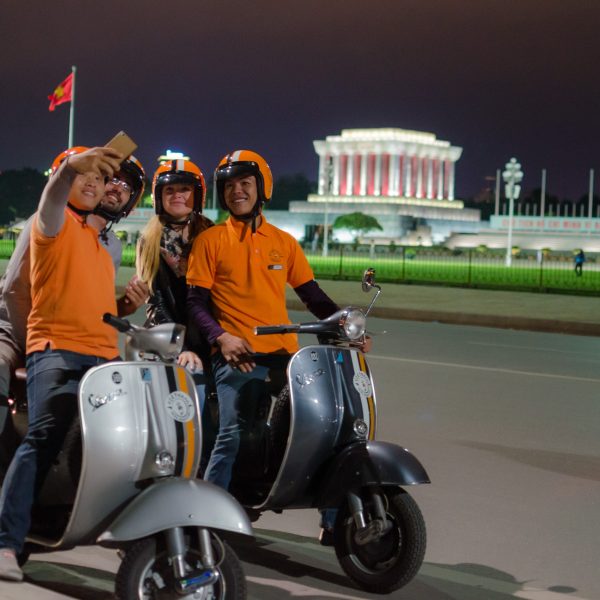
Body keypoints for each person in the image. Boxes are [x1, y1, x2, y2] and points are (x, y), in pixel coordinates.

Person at [186, 150, 368, 543]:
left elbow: (312, 295)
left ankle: (334, 516)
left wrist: (344, 325)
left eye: (245, 185)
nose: (237, 192)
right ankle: (206, 515)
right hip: (238, 354)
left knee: (329, 423)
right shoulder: (211, 240)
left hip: (286, 356)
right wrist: (221, 337)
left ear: (262, 189)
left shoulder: (283, 243)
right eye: (230, 186)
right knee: (232, 432)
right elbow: (195, 303)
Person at [0, 145, 123, 581]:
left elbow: (93, 304)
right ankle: (6, 544)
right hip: (56, 348)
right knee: (44, 434)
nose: (92, 182)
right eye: (82, 175)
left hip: (106, 357)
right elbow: (53, 194)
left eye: (100, 177)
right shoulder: (49, 224)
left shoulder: (101, 240)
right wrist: (71, 165)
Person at [0, 150, 148, 481]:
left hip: (67, 337)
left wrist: (122, 307)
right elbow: (15, 292)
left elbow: (85, 301)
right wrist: (36, 348)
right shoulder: (51, 221)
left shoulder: (107, 242)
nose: (113, 188)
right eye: (110, 178)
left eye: (123, 184)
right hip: (14, 325)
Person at [136, 158, 213, 382]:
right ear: (158, 196)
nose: (177, 195)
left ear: (197, 195)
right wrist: (180, 346)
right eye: (169, 189)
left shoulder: (212, 233)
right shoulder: (149, 239)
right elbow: (156, 301)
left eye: (185, 189)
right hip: (166, 335)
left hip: (209, 335)